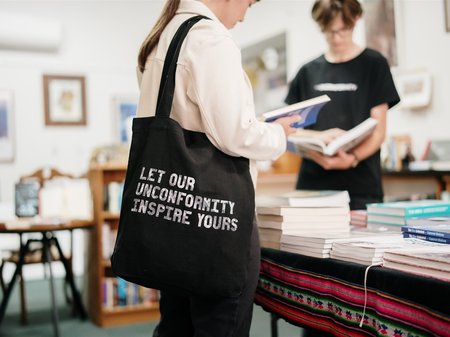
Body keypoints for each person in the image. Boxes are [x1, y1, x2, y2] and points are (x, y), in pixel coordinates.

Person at [136, 1, 300, 336]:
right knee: (221, 325)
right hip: (217, 219)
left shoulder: (162, 35)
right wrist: (278, 133)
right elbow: (235, 133)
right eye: (249, 3)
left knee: (176, 325)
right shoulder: (210, 39)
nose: (244, 15)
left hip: (175, 215)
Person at [285, 0, 400, 210]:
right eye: (329, 32)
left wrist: (352, 158)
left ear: (356, 19)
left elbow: (378, 131)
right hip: (312, 186)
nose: (336, 38)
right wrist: (315, 140)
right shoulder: (307, 72)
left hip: (361, 187)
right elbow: (288, 129)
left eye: (343, 30)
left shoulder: (374, 65)